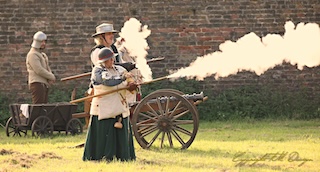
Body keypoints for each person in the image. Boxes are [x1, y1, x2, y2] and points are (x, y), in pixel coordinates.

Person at [82, 47, 137, 162]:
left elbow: (128, 81)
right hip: (104, 107)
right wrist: (123, 78)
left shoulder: (119, 69)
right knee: (103, 135)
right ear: (103, 61)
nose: (112, 61)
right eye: (109, 59)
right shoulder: (98, 71)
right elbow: (109, 82)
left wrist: (131, 85)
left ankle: (123, 156)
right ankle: (101, 156)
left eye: (112, 59)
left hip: (120, 107)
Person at [26, 31, 56, 104]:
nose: (43, 44)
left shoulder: (42, 55)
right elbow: (39, 70)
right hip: (37, 83)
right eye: (41, 41)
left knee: (43, 107)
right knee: (38, 106)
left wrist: (50, 76)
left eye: (44, 41)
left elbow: (47, 67)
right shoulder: (32, 54)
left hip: (43, 84)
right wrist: (51, 76)